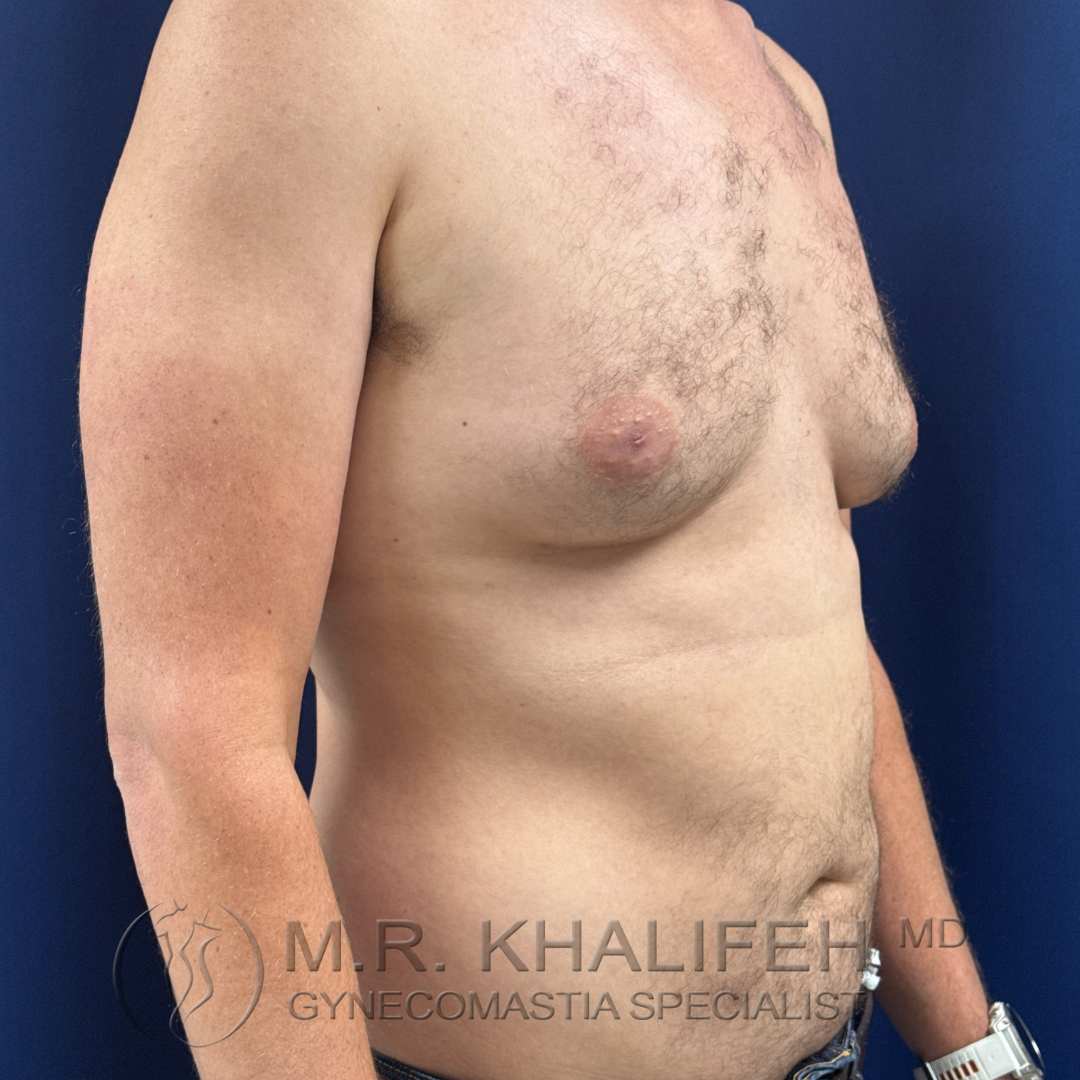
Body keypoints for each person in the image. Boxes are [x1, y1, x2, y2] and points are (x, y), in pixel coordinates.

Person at [80, 3, 1029, 1078]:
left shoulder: (775, 80)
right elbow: (190, 739)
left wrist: (973, 1053)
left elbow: (808, 608)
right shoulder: (300, 33)